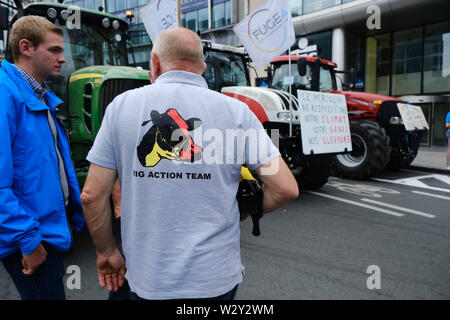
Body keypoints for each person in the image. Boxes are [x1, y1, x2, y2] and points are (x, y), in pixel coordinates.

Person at [81, 27, 298, 300]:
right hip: (215, 280)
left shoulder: (120, 107)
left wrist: (106, 252)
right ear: (203, 68)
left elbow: (91, 196)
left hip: (147, 279)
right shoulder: (238, 112)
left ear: (155, 62)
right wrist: (243, 209)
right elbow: (286, 187)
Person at [0, 16, 85, 300]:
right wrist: (27, 240)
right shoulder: (5, 94)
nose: (63, 58)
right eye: (54, 50)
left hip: (43, 230)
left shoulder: (39, 95)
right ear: (26, 47)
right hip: (32, 237)